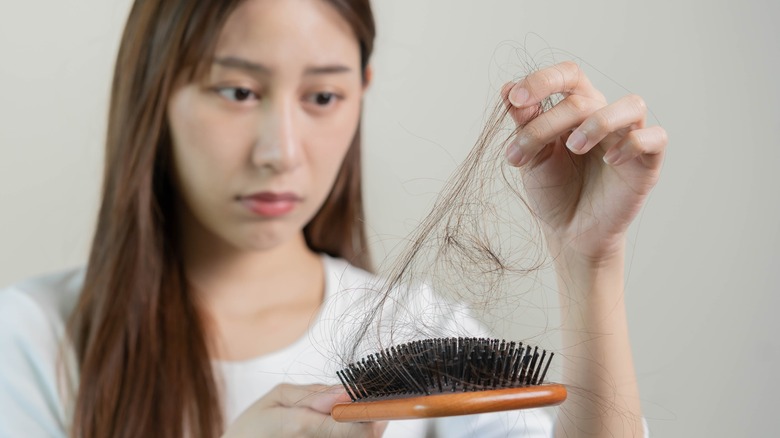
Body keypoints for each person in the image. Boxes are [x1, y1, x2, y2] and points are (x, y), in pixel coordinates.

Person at [0, 0, 667, 437]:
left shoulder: (423, 338)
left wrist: (590, 260)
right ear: (154, 93)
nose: (280, 152)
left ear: (360, 94)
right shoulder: (29, 343)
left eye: (323, 95)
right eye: (237, 91)